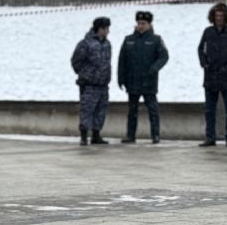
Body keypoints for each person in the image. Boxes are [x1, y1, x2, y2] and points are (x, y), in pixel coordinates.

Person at [116, 10, 169, 144]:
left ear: (149, 25)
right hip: (132, 80)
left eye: (143, 23)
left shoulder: (156, 40)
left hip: (148, 81)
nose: (140, 26)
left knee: (153, 110)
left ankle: (155, 135)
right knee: (132, 111)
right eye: (139, 23)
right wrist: (121, 78)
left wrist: (155, 67)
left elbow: (164, 56)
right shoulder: (129, 40)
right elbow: (122, 60)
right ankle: (130, 136)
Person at [198, 1, 227, 147]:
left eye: (221, 16)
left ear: (226, 17)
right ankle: (210, 137)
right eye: (216, 15)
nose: (219, 18)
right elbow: (200, 49)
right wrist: (205, 64)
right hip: (211, 76)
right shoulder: (208, 32)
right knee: (209, 110)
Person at [72, 17, 113, 145]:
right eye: (106, 28)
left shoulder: (107, 44)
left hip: (103, 84)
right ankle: (84, 136)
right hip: (89, 84)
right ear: (100, 29)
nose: (108, 31)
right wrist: (86, 74)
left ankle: (96, 135)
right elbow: (76, 61)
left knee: (100, 111)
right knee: (87, 110)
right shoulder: (86, 44)